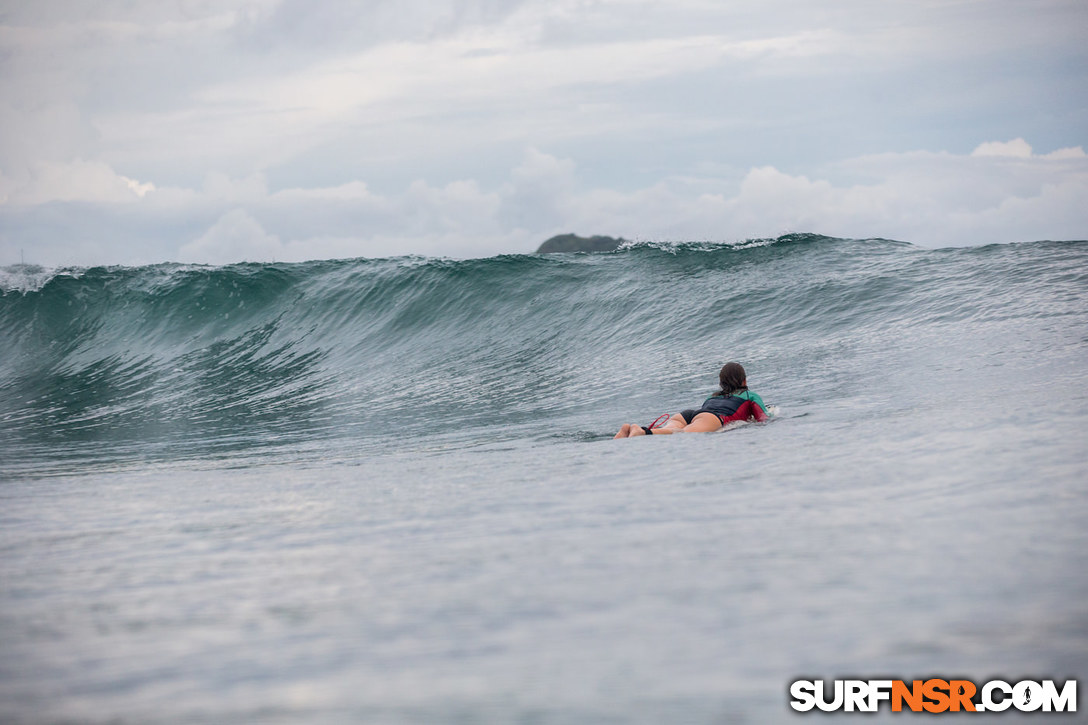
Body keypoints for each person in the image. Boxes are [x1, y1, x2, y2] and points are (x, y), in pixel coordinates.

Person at [614, 362, 771, 438]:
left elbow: (704, 413)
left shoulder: (713, 395)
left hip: (691, 414)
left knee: (673, 428)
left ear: (721, 382)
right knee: (680, 433)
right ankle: (641, 431)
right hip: (711, 419)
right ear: (744, 380)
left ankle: (633, 430)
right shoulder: (750, 396)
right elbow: (763, 419)